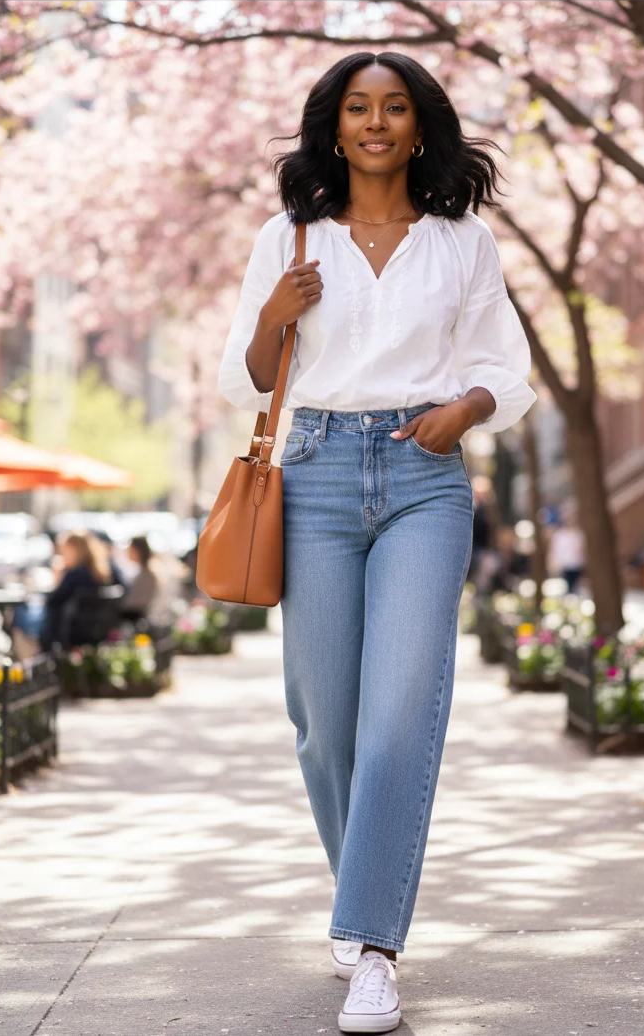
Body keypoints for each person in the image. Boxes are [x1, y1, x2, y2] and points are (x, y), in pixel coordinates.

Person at [217, 51, 536, 1033]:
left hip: (421, 478)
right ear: (334, 125)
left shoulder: (461, 241)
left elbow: (505, 368)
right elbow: (246, 378)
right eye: (358, 108)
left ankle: (372, 949)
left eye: (394, 107)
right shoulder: (289, 236)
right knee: (323, 719)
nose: (375, 123)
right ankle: (364, 903)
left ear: (419, 125)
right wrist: (274, 317)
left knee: (399, 714)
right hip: (313, 471)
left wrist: (464, 410)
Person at [39, 530, 116, 650]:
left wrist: (57, 577)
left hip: (69, 629)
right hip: (95, 629)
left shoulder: (74, 574)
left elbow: (53, 601)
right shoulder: (100, 573)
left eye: (65, 551)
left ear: (75, 550)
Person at [120, 535, 160, 623]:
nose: (127, 552)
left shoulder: (147, 573)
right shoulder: (142, 570)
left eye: (130, 549)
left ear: (138, 551)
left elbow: (137, 603)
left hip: (137, 617)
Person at [548, 507, 587, 594]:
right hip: (564, 566)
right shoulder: (560, 535)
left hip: (578, 566)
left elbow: (583, 550)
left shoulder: (579, 534)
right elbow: (554, 552)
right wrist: (553, 566)